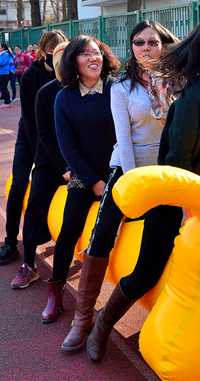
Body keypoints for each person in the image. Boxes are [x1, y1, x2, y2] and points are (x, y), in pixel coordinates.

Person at [86, 14, 200, 363]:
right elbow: (177, 163)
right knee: (147, 272)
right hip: (177, 201)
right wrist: (190, 212)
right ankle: (101, 324)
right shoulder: (194, 98)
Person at [61, 21, 179, 351]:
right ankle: (83, 318)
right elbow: (124, 140)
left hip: (169, 171)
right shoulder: (122, 86)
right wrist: (132, 183)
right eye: (139, 42)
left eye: (152, 42)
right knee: (101, 236)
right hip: (129, 169)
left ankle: (106, 320)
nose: (146, 48)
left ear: (163, 45)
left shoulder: (178, 80)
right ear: (132, 48)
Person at [43, 35, 120, 324]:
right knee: (69, 229)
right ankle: (56, 290)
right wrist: (93, 182)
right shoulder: (64, 98)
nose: (93, 58)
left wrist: (112, 179)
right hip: (83, 175)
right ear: (73, 61)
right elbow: (68, 147)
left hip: (118, 172)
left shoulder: (117, 88)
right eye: (85, 54)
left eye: (97, 52)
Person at [0, 30, 67, 266]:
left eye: (61, 52)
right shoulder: (29, 77)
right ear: (42, 53)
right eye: (52, 52)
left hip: (58, 139)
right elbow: (29, 120)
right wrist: (40, 157)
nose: (57, 57)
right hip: (29, 137)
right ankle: (10, 241)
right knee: (18, 185)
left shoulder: (68, 74)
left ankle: (57, 234)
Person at [9, 41, 69, 290]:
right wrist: (64, 167)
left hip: (82, 159)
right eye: (59, 59)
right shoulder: (44, 92)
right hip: (50, 156)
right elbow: (42, 133)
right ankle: (28, 262)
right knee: (32, 202)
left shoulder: (92, 88)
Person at [0, 43, 12, 108]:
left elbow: (2, 62)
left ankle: (7, 102)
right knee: (1, 87)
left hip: (4, 72)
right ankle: (5, 100)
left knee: (4, 87)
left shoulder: (5, 54)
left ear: (3, 48)